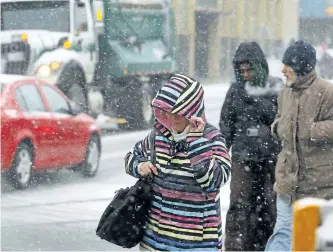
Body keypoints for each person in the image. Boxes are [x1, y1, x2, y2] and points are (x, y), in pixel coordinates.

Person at [124, 74, 231, 251]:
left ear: (192, 112)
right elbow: (131, 157)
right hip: (155, 242)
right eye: (167, 111)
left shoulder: (212, 139)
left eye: (178, 113)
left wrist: (196, 143)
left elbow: (214, 181)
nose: (172, 118)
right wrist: (139, 166)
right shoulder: (157, 136)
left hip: (197, 244)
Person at [265, 40, 333, 251]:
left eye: (288, 65)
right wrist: (277, 128)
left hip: (318, 184)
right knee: (283, 231)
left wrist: (310, 131)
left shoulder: (327, 92)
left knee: (312, 240)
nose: (283, 70)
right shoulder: (285, 92)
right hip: (287, 180)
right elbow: (278, 119)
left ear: (302, 67)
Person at [220, 41, 283, 251]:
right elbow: (226, 125)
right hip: (242, 159)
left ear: (259, 67)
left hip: (270, 159)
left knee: (270, 206)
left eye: (249, 69)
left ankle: (267, 247)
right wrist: (219, 154)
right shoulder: (235, 91)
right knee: (239, 206)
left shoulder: (276, 88)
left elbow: (285, 123)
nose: (246, 74)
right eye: (242, 70)